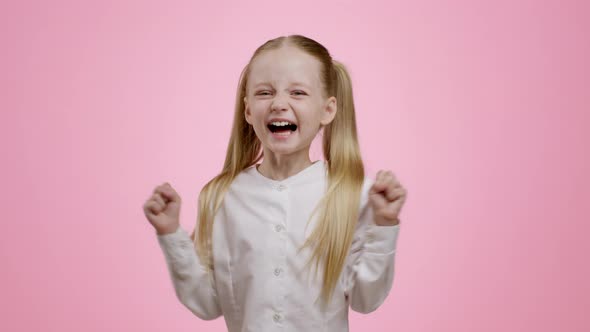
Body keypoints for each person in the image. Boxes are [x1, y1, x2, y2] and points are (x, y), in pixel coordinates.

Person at [142, 34, 408, 331]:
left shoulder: (352, 195)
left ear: (327, 110)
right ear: (247, 110)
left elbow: (365, 299)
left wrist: (384, 224)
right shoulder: (223, 197)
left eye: (298, 93)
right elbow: (206, 303)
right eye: (265, 93)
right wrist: (170, 233)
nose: (279, 104)